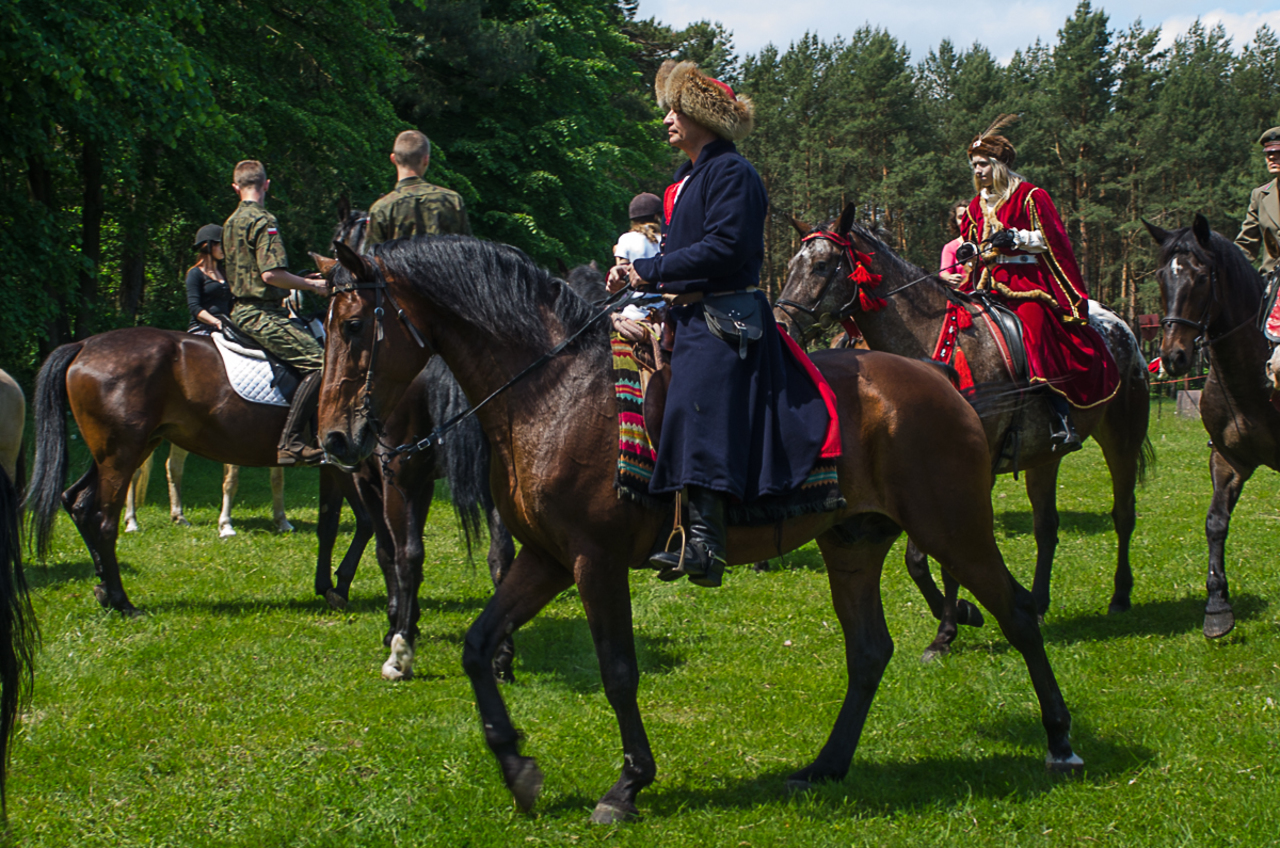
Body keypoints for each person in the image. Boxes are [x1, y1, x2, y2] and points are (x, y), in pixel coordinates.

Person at [606, 61, 829, 589]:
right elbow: (683, 256)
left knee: (693, 398)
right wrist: (636, 277)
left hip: (726, 317)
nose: (667, 120)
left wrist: (649, 269)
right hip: (686, 313)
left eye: (676, 110)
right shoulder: (683, 181)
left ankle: (706, 541)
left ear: (704, 115)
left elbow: (726, 249)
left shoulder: (733, 173)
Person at [961, 116, 1119, 451]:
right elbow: (973, 238)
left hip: (1027, 283)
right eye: (974, 165)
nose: (977, 171)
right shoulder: (977, 205)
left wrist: (1015, 237)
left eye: (982, 164)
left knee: (1033, 330)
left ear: (998, 165)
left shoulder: (1031, 196)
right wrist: (971, 249)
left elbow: (1051, 239)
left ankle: (1059, 414)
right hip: (987, 284)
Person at [222, 159, 330, 466]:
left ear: (236, 188)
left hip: (239, 308)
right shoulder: (263, 220)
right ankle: (291, 442)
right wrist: (315, 287)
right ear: (266, 185)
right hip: (260, 313)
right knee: (321, 364)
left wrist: (301, 280)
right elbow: (271, 276)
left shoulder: (230, 222)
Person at [366, 130, 470, 247]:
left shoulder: (382, 209)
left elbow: (371, 261)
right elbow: (468, 251)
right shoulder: (453, 201)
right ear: (426, 159)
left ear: (393, 159)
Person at [1235, 126, 1280, 274]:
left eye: (1278, 152)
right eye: (1269, 154)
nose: (1272, 157)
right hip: (1273, 281)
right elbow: (1246, 245)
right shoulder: (1260, 195)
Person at [185, 224, 232, 334]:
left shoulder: (225, 273)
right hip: (202, 328)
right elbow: (194, 307)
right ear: (208, 246)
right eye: (221, 245)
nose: (224, 249)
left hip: (226, 327)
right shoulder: (195, 273)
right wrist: (216, 322)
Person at [939, 200, 971, 287]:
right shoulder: (950, 247)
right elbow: (944, 272)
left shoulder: (985, 243)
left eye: (967, 216)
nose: (964, 220)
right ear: (955, 221)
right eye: (960, 217)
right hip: (963, 296)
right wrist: (949, 277)